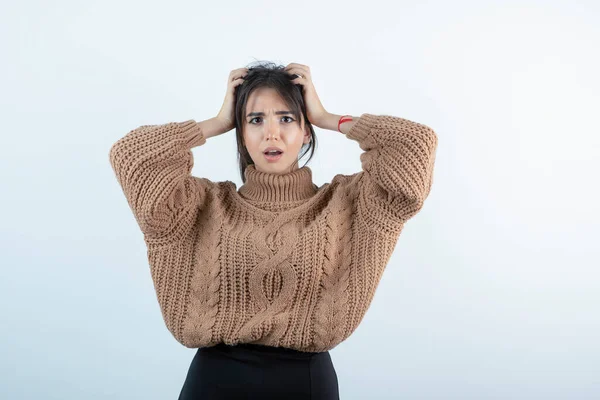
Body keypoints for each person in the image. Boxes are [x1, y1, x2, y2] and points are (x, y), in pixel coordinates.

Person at [109, 61, 438, 399]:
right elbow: (131, 157)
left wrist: (328, 118)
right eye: (255, 120)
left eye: (286, 118)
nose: (271, 133)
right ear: (241, 132)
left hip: (306, 384)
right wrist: (216, 123)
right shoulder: (201, 205)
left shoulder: (348, 203)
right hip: (214, 382)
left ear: (305, 130)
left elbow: (415, 145)